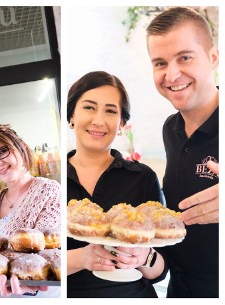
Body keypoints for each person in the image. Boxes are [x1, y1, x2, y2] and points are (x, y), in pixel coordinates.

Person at [66, 71, 167, 297]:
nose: (98, 120)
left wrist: (145, 256)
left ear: (121, 123)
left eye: (111, 111)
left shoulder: (142, 177)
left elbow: (161, 270)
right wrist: (81, 258)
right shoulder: (54, 183)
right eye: (89, 107)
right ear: (72, 115)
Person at [146, 7, 219, 297]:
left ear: (213, 57)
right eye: (160, 63)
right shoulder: (171, 129)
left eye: (185, 57)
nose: (172, 74)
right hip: (179, 288)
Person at [0, 123, 60, 297]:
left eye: (2, 151)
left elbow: (50, 251)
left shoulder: (49, 191)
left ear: (20, 146)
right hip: (0, 294)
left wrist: (29, 284)